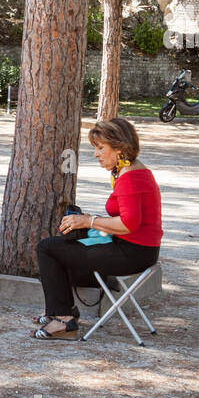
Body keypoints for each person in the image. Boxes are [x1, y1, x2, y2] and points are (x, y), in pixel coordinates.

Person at [32, 118, 162, 340]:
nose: (96, 154)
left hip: (132, 254)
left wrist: (89, 221)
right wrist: (86, 222)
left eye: (101, 148)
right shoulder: (129, 171)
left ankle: (64, 320)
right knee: (62, 244)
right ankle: (62, 311)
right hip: (134, 248)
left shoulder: (130, 177)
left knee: (47, 248)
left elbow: (128, 224)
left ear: (119, 147)